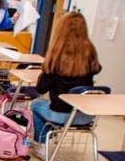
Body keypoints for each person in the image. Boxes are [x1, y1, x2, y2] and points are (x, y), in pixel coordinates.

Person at [30, 11, 102, 144]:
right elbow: (97, 69)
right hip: (85, 116)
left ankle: (41, 143)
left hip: (60, 115)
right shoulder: (90, 52)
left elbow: (41, 89)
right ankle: (45, 139)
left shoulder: (56, 55)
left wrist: (46, 70)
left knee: (35, 104)